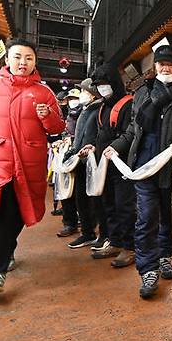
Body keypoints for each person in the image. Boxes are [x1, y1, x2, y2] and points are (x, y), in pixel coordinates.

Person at [0, 38, 65, 294]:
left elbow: (57, 128)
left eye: (28, 58)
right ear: (7, 60)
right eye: (17, 57)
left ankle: (7, 250)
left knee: (19, 214)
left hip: (31, 164)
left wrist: (47, 116)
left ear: (34, 63)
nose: (23, 63)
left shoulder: (44, 92)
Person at [103, 45, 172, 298]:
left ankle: (165, 255)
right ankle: (148, 268)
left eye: (171, 64)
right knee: (147, 216)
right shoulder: (143, 94)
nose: (165, 67)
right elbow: (132, 130)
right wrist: (115, 147)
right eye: (161, 63)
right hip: (144, 165)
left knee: (169, 217)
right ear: (156, 66)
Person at [87, 64, 137, 268]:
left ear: (114, 83)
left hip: (122, 165)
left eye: (105, 84)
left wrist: (115, 148)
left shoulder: (129, 104)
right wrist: (92, 147)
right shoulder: (103, 106)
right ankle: (115, 241)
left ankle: (130, 246)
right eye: (98, 85)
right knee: (109, 204)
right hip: (104, 165)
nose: (102, 88)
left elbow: (130, 133)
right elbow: (102, 134)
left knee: (124, 206)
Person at [65, 78, 107, 249]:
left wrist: (94, 149)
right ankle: (88, 232)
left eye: (83, 91)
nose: (81, 95)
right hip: (81, 160)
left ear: (92, 94)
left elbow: (100, 135)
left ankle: (102, 234)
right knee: (81, 197)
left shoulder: (99, 110)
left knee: (97, 200)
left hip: (94, 161)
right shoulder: (86, 110)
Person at [55, 88, 82, 237]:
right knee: (66, 191)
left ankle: (81, 224)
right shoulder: (69, 115)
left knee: (79, 192)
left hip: (80, 156)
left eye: (75, 98)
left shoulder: (85, 113)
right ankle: (69, 223)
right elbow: (64, 130)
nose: (72, 101)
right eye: (70, 98)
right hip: (67, 154)